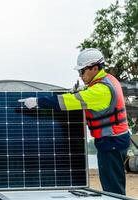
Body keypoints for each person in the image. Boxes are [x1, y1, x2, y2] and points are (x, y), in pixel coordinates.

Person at [19, 48, 130, 195]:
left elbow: (68, 102)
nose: (80, 75)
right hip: (116, 140)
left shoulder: (100, 90)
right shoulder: (108, 79)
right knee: (114, 184)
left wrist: (38, 101)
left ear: (95, 68)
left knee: (113, 189)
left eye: (82, 71)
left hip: (111, 143)